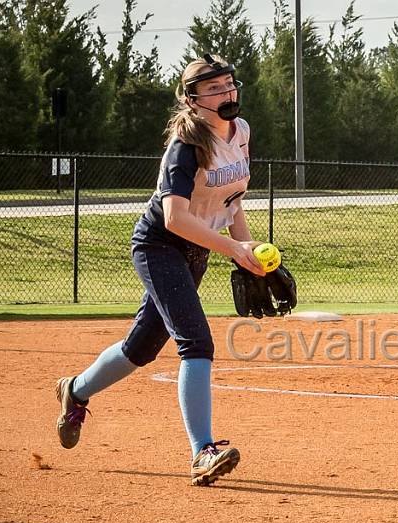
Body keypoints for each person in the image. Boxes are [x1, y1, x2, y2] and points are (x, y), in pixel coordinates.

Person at [54, 54, 267, 486]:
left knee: (142, 347)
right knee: (196, 340)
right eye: (214, 88)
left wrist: (248, 249)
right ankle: (202, 452)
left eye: (229, 84)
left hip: (198, 248)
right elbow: (174, 218)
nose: (227, 93)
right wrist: (230, 248)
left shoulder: (240, 132)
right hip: (161, 246)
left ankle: (74, 390)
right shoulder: (185, 148)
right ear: (192, 100)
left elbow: (232, 200)